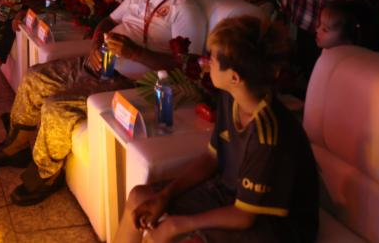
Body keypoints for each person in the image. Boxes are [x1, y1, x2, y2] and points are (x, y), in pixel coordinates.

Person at [0, 0, 209, 206]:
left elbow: (186, 66)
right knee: (35, 76)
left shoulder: (185, 9)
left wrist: (135, 53)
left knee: (56, 107)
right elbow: (107, 21)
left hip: (128, 81)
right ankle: (16, 147)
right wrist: (96, 44)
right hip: (100, 63)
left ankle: (45, 173)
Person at [115, 16, 318, 243]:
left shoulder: (267, 134)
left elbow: (245, 216)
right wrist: (165, 195)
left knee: (169, 236)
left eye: (211, 58)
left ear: (234, 77)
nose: (205, 62)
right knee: (140, 197)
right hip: (229, 194)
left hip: (271, 225)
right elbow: (212, 157)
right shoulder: (232, 98)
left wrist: (179, 224)